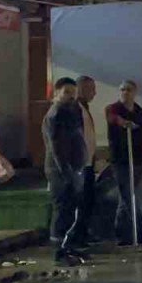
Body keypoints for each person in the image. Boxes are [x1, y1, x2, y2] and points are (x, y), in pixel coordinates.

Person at [44, 79, 87, 259]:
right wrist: (66, 171)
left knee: (70, 209)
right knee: (62, 208)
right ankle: (58, 248)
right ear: (57, 93)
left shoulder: (73, 110)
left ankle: (68, 245)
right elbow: (56, 147)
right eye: (67, 92)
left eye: (73, 93)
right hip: (60, 169)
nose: (71, 96)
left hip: (74, 167)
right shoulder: (56, 114)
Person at [106, 80, 142, 245]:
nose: (125, 92)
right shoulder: (113, 109)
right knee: (127, 196)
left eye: (129, 90)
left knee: (125, 200)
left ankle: (121, 234)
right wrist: (123, 123)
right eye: (122, 89)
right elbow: (112, 118)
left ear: (134, 92)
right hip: (121, 161)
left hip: (138, 160)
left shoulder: (140, 112)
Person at [76, 76, 99, 244]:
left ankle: (84, 234)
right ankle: (78, 236)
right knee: (81, 201)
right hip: (80, 164)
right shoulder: (75, 109)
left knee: (88, 200)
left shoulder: (84, 108)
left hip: (88, 162)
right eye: (92, 89)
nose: (94, 93)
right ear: (82, 89)